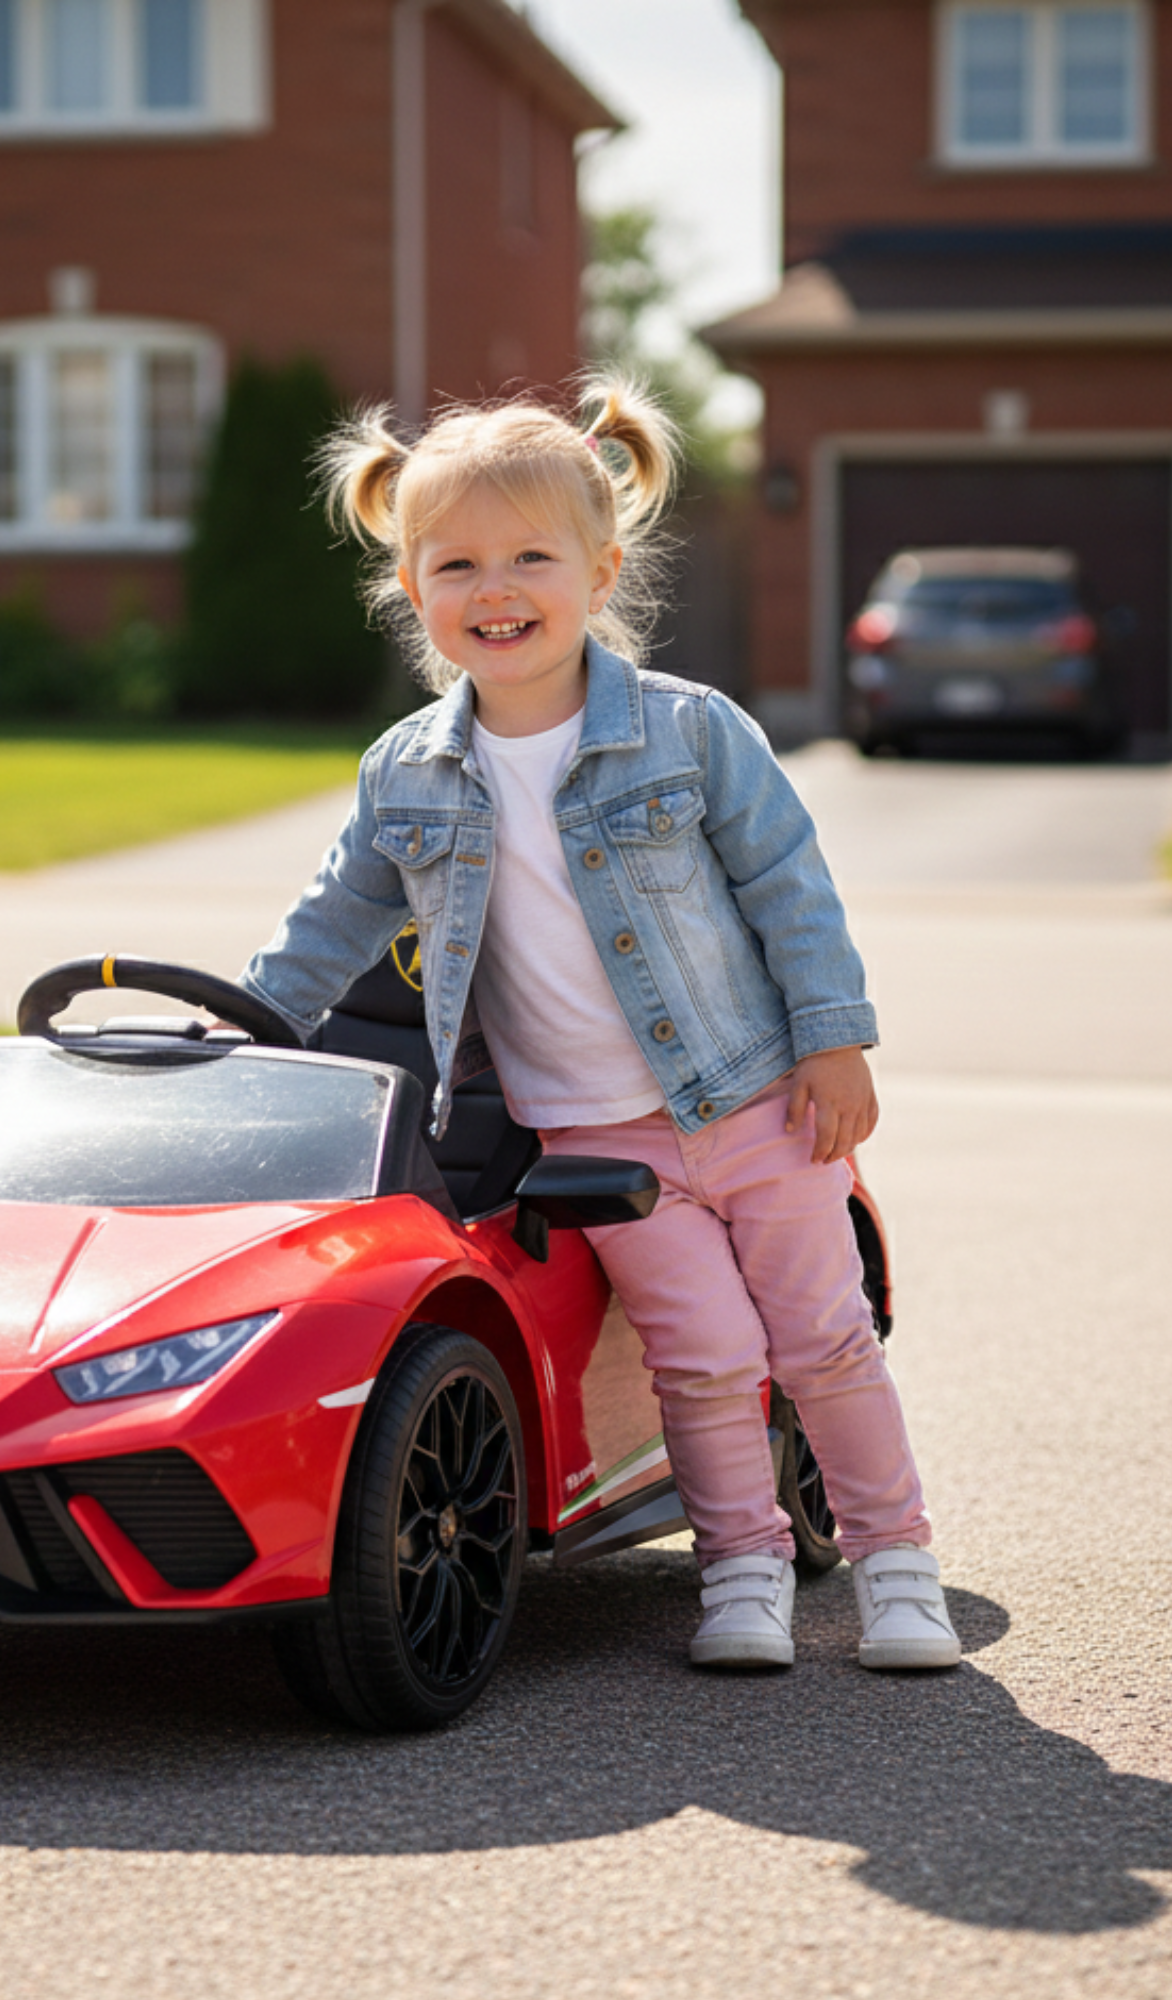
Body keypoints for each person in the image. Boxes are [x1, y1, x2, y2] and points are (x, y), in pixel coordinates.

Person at [238, 379, 960, 1672]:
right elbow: (328, 930)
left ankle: (895, 1561)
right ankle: (740, 1573)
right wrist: (238, 1038)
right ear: (412, 588)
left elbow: (788, 886)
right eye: (456, 562)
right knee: (702, 1355)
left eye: (530, 557)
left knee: (822, 1338)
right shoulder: (406, 771)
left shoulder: (689, 735)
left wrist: (832, 1037)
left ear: (601, 567)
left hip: (756, 1101)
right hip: (592, 1146)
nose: (495, 588)